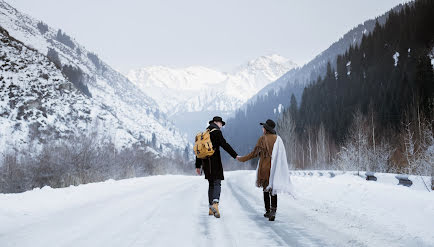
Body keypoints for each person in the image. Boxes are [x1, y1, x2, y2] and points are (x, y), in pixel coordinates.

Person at [236, 119, 293, 221]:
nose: (262, 129)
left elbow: (254, 154)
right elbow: (281, 156)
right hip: (275, 167)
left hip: (265, 168)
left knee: (266, 189)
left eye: (263, 127)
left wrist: (241, 159)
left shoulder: (262, 139)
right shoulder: (278, 139)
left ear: (266, 129)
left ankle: (267, 211)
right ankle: (273, 210)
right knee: (273, 189)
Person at [195, 116, 238, 218]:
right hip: (215, 162)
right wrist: (235, 155)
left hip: (206, 163)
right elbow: (224, 144)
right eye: (221, 124)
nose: (221, 126)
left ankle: (210, 208)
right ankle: (215, 203)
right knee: (217, 182)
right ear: (217, 122)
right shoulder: (216, 132)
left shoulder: (204, 134)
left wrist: (198, 166)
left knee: (211, 184)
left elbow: (198, 151)